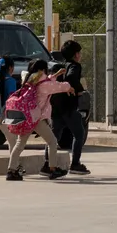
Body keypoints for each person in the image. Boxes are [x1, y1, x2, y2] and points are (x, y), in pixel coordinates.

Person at [5, 59, 73, 181]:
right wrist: (68, 87)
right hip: (37, 118)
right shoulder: (43, 84)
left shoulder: (29, 79)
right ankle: (52, 169)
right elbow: (57, 87)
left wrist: (55, 75)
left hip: (26, 117)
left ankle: (11, 171)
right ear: (42, 70)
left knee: (20, 144)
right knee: (52, 141)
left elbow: (47, 82)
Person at [44, 40, 88, 175]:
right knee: (79, 134)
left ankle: (47, 164)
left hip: (57, 107)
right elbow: (71, 78)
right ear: (75, 55)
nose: (80, 55)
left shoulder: (62, 65)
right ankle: (75, 164)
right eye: (79, 52)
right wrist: (78, 89)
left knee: (53, 137)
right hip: (69, 108)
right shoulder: (75, 66)